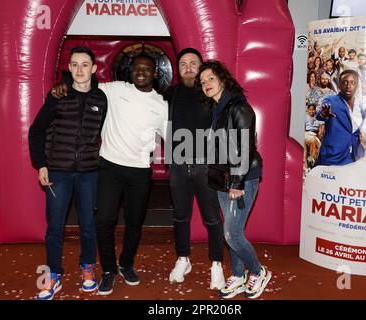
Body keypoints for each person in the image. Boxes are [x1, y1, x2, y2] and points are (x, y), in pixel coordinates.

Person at [52, 53, 168, 295]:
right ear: (130, 71)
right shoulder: (114, 90)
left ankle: (126, 264)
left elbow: (173, 140)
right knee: (104, 221)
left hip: (140, 172)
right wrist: (63, 81)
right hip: (110, 167)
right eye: (137, 68)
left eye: (147, 69)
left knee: (135, 222)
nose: (141, 72)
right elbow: (84, 82)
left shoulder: (161, 105)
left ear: (155, 73)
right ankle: (108, 271)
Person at [28, 46, 107, 300]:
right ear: (69, 67)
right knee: (55, 227)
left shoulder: (101, 98)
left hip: (89, 173)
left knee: (88, 225)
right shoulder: (58, 95)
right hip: (58, 173)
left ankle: (87, 268)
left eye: (85, 65)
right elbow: (36, 130)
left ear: (94, 69)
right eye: (74, 64)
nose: (79, 69)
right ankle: (53, 276)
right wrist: (41, 164)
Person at [197, 60, 271, 299]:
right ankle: (238, 276)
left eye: (210, 78)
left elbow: (246, 147)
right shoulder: (217, 109)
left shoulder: (238, 106)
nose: (205, 84)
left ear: (222, 79)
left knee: (232, 234)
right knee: (232, 231)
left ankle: (258, 272)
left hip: (241, 178)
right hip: (223, 178)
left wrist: (237, 183)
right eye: (202, 81)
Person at [164, 48, 225, 289]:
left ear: (201, 67)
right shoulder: (170, 94)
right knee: (180, 216)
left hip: (207, 166)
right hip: (178, 165)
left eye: (193, 63)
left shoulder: (212, 93)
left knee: (212, 219)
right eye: (183, 64)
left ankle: (217, 265)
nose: (188, 67)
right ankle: (183, 259)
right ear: (178, 71)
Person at [316, 70, 366, 166]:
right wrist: (323, 114)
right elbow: (320, 114)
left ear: (357, 85)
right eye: (345, 82)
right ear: (339, 85)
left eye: (352, 82)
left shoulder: (361, 105)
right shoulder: (331, 100)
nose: (348, 86)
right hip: (333, 157)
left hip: (353, 157)